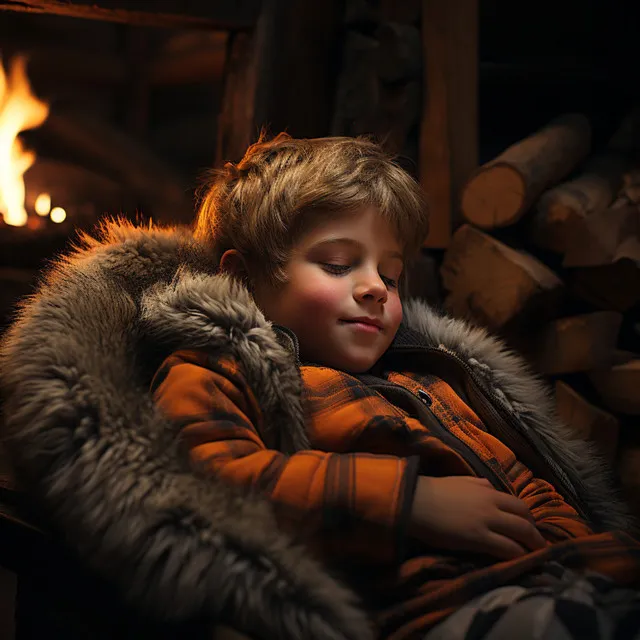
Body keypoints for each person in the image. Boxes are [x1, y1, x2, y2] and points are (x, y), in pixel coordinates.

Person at [151, 133, 640, 640]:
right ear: (243, 278)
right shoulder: (217, 370)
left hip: (549, 584)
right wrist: (409, 503)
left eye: (391, 273)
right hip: (428, 611)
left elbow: (526, 483)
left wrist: (567, 550)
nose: (375, 288)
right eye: (338, 264)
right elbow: (208, 486)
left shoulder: (426, 379)